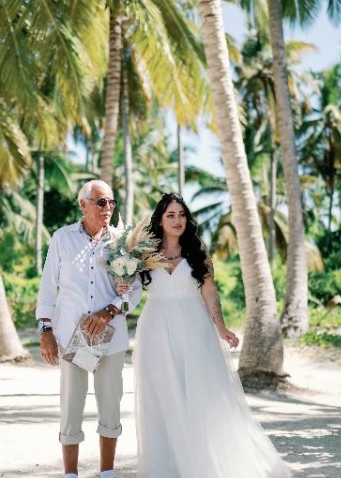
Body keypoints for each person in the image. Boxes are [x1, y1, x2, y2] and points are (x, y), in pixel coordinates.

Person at [126, 193, 292, 477]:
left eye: (181, 215)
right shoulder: (144, 252)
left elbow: (209, 290)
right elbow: (130, 287)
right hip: (155, 330)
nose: (177, 220)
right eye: (171, 215)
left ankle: (204, 464)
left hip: (194, 328)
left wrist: (221, 327)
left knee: (201, 395)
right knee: (161, 397)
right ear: (160, 220)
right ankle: (167, 468)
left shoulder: (197, 249)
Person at [36, 179, 142, 478]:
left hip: (111, 336)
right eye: (100, 202)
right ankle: (71, 474)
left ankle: (107, 472)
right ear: (83, 204)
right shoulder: (62, 238)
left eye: (110, 202)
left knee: (110, 404)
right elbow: (48, 286)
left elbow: (133, 291)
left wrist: (110, 310)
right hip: (70, 333)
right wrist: (45, 330)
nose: (107, 207)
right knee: (71, 405)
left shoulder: (124, 241)